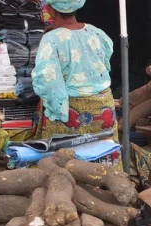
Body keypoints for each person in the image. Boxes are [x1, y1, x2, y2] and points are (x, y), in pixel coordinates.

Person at [32, 0, 115, 142]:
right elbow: (105, 63)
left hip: (70, 111)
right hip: (103, 108)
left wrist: (57, 109)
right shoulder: (96, 33)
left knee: (65, 159)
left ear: (51, 10)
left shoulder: (51, 39)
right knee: (103, 154)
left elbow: (47, 78)